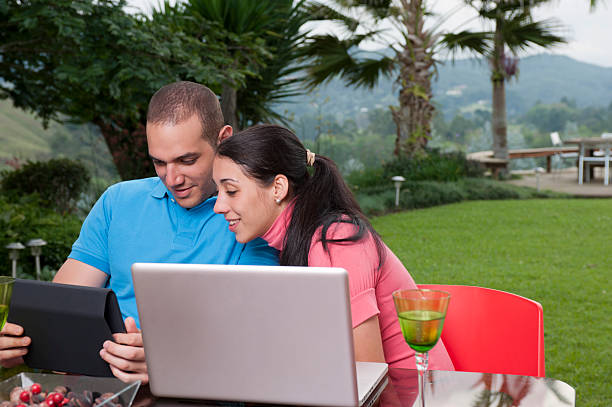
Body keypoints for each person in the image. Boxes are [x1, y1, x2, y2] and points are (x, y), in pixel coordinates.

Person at [0, 82, 278, 383]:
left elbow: (255, 342)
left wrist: (169, 363)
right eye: (159, 162)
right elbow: (62, 311)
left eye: (187, 160)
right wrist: (25, 340)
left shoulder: (252, 214)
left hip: (199, 392)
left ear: (223, 139)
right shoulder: (118, 202)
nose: (172, 179)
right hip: (103, 384)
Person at [212, 124, 454, 370]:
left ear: (278, 188)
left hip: (418, 395)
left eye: (231, 191)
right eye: (218, 190)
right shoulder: (296, 240)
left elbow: (369, 379)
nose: (218, 206)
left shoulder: (336, 242)